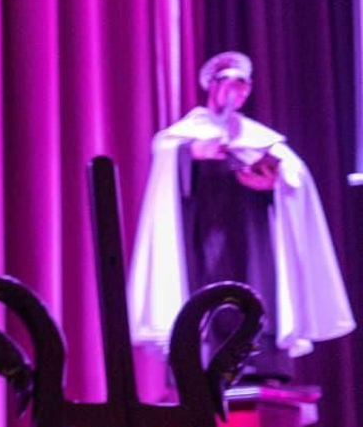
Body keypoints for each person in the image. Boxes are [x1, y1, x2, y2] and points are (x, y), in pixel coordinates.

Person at [129, 50, 354, 381]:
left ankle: (260, 364)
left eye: (242, 85)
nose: (236, 91)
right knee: (209, 296)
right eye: (228, 83)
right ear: (211, 86)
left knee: (257, 293)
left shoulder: (258, 136)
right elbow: (165, 164)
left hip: (252, 238)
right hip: (203, 236)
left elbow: (294, 175)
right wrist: (192, 152)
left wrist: (274, 182)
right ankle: (203, 360)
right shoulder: (183, 134)